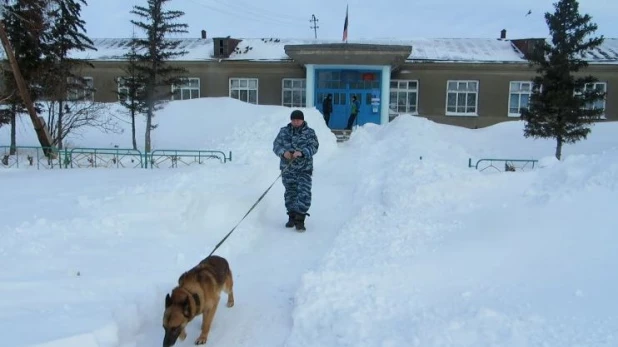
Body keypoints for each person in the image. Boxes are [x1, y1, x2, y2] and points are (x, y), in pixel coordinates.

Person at [272, 109, 319, 231]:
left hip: (304, 169)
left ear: (302, 120)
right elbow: (276, 146)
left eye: (298, 119)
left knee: (304, 193)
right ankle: (291, 216)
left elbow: (314, 147)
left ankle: (300, 220)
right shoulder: (284, 132)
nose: (296, 122)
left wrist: (303, 153)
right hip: (288, 169)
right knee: (290, 193)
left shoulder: (309, 133)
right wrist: (283, 153)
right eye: (293, 120)